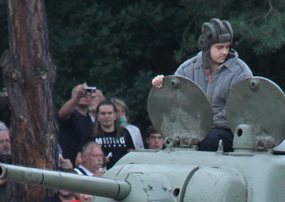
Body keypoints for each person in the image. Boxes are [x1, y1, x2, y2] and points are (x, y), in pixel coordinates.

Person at [152, 18, 252, 152]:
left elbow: (239, 111)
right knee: (174, 143)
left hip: (227, 131)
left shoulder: (240, 73)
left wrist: (205, 123)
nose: (224, 52)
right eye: (219, 47)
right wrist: (161, 85)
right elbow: (174, 100)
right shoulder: (188, 69)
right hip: (190, 130)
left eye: (227, 47)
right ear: (206, 46)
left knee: (208, 140)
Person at [58, 83, 95, 166]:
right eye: (80, 93)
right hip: (66, 164)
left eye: (87, 93)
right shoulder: (71, 114)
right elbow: (62, 114)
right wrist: (77, 98)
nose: (84, 95)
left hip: (83, 166)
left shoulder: (90, 119)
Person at [92, 100, 134, 169]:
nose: (106, 116)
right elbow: (79, 160)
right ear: (98, 116)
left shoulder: (125, 133)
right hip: (100, 175)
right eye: (103, 113)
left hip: (122, 173)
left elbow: (132, 155)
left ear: (115, 115)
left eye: (110, 113)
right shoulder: (91, 135)